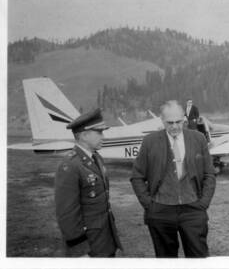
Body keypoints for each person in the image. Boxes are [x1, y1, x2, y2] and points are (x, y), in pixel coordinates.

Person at [130, 100, 216, 258]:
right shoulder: (150, 141)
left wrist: (203, 203)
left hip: (193, 209)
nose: (175, 126)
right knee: (166, 260)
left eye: (179, 122)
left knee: (198, 257)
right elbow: (137, 176)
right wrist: (149, 205)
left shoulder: (198, 139)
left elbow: (209, 174)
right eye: (170, 123)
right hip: (160, 211)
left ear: (184, 119)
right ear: (162, 120)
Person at [55, 108, 122, 257]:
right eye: (99, 132)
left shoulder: (96, 158)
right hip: (89, 245)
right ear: (84, 135)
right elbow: (67, 213)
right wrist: (79, 250)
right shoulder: (70, 165)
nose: (103, 136)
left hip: (104, 239)